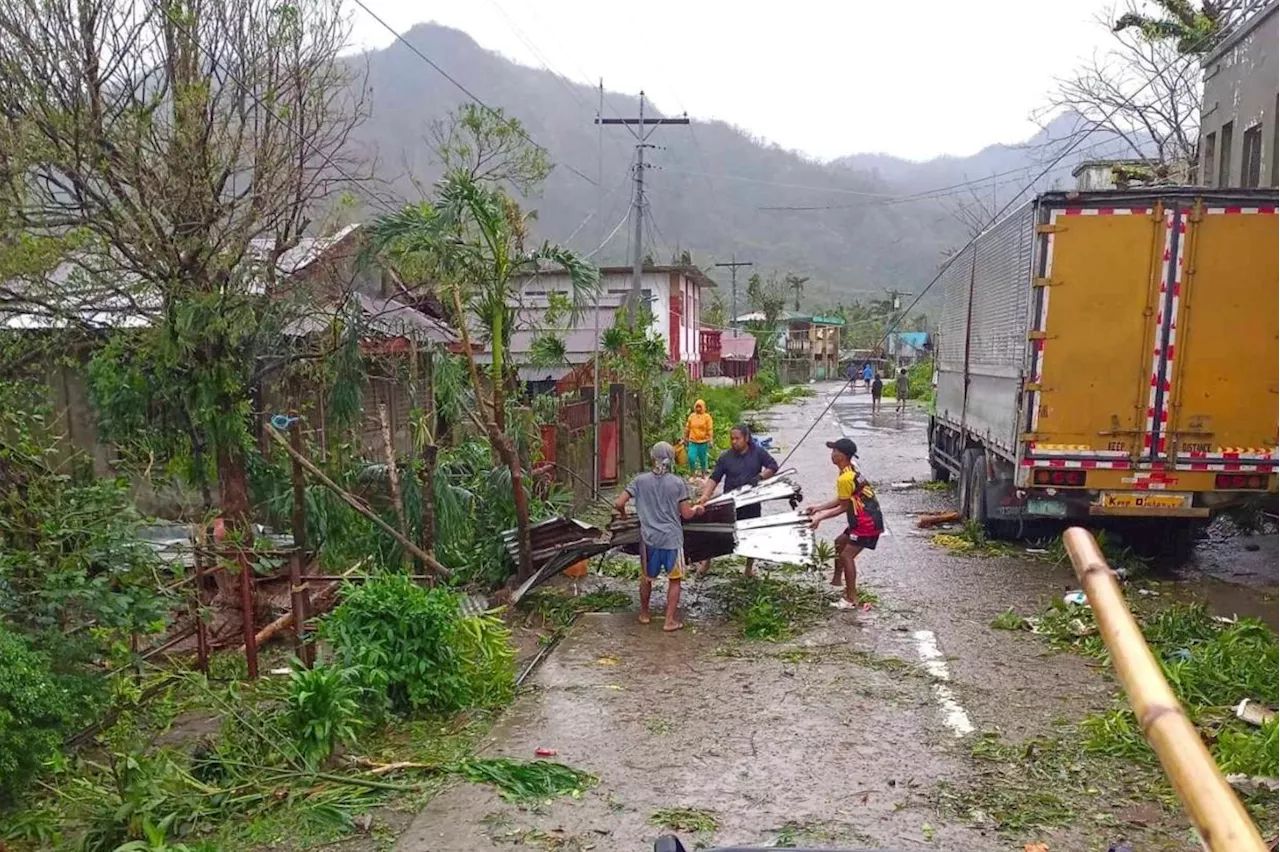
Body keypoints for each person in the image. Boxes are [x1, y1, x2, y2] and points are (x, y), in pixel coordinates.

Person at [614, 442, 704, 631]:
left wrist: (623, 515)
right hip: (672, 539)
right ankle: (669, 620)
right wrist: (697, 509)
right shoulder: (678, 483)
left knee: (647, 577)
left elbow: (619, 502)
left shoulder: (639, 481)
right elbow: (686, 514)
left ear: (652, 457)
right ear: (671, 459)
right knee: (675, 579)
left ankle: (644, 614)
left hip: (649, 539)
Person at [804, 438, 883, 610]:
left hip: (865, 522)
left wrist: (819, 517)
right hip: (865, 518)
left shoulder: (845, 478)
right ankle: (837, 580)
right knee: (839, 542)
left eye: (835, 452)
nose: (832, 455)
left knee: (847, 556)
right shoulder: (850, 470)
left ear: (842, 456)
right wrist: (818, 507)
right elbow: (843, 499)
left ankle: (851, 598)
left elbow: (842, 507)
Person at [695, 424, 779, 577]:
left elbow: (773, 466)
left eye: (737, 438)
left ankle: (748, 568)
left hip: (751, 501)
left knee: (752, 533)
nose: (734, 442)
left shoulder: (758, 453)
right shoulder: (726, 457)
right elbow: (715, 478)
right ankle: (706, 563)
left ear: (746, 438)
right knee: (717, 533)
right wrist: (705, 496)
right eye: (731, 439)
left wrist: (760, 477)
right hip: (730, 502)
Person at [684, 398, 714, 475]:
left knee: (703, 459)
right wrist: (685, 437)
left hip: (703, 442)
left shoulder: (707, 417)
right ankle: (693, 474)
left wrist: (710, 440)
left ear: (703, 407)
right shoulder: (692, 416)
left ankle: (703, 474)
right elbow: (688, 428)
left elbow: (709, 429)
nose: (698, 409)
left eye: (700, 407)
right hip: (693, 441)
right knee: (691, 458)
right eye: (697, 407)